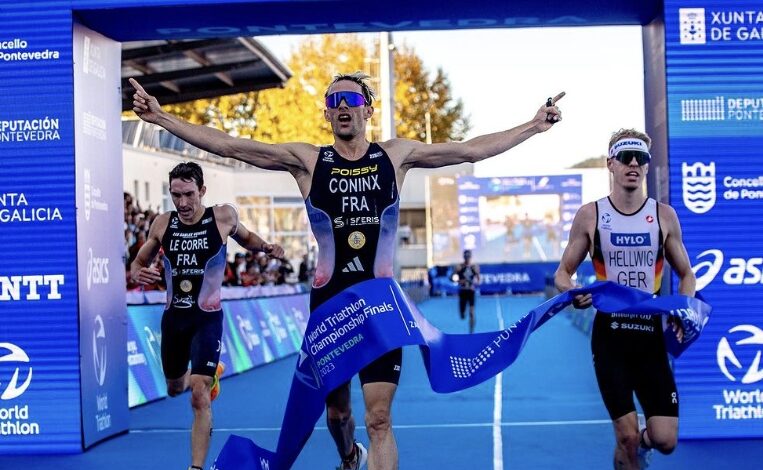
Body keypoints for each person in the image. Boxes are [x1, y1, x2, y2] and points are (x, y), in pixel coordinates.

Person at [129, 73, 563, 470]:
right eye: (333, 99)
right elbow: (231, 145)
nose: (341, 105)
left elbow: (470, 149)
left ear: (367, 109)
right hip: (330, 307)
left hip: (380, 306)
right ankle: (348, 455)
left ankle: (362, 452)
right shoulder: (308, 161)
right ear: (327, 113)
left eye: (351, 97)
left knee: (379, 417)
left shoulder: (396, 156)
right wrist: (162, 117)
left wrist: (532, 126)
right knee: (338, 414)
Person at [554, 129, 696, 470]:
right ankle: (631, 449)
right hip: (610, 339)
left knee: (665, 440)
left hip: (651, 338)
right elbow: (562, 273)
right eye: (625, 157)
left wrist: (684, 309)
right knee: (626, 438)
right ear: (610, 164)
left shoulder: (664, 216)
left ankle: (639, 447)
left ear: (647, 167)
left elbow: (687, 276)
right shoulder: (591, 215)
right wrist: (572, 294)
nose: (633, 163)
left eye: (641, 158)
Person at [130, 162, 284, 470]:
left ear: (202, 191)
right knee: (175, 389)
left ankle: (196, 467)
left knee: (199, 393)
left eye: (189, 194)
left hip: (207, 318)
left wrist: (266, 247)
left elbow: (247, 237)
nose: (183, 203)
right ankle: (206, 374)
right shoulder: (162, 223)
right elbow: (138, 262)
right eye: (176, 195)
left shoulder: (223, 216)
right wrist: (139, 273)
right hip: (174, 319)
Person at [454, 249, 480, 333]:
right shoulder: (459, 267)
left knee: (472, 311)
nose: (467, 258)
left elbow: (478, 279)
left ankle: (471, 331)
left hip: (471, 291)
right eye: (466, 257)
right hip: (463, 291)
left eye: (468, 257)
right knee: (462, 315)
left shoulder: (474, 267)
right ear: (463, 257)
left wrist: (475, 283)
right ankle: (462, 313)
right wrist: (459, 281)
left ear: (470, 257)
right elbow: (452, 277)